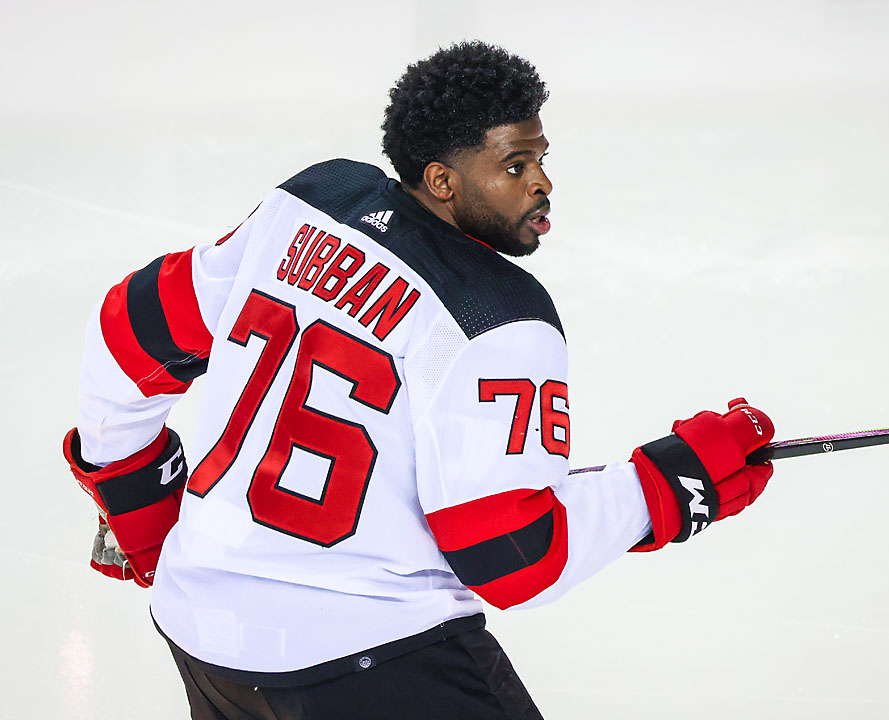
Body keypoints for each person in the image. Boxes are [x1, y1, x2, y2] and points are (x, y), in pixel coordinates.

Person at [62, 41, 775, 719]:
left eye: (541, 158)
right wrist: (666, 487)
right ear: (441, 180)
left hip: (202, 632)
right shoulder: (496, 316)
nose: (542, 183)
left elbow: (133, 334)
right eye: (515, 165)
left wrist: (133, 489)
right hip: (372, 659)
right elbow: (514, 553)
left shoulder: (312, 201)